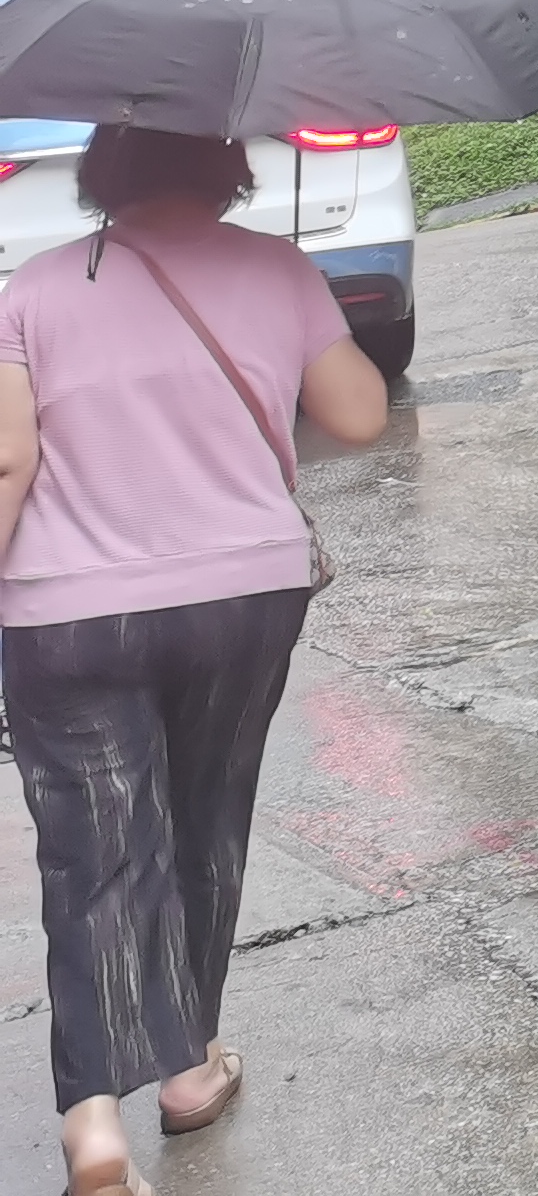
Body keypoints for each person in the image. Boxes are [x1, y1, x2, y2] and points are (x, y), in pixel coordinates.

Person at [0, 125, 389, 1196]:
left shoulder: (34, 289)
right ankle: (188, 1070)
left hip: (69, 614)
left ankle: (93, 1129)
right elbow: (359, 416)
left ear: (103, 172)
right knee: (205, 819)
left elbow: (6, 458)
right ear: (225, 164)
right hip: (241, 599)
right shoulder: (278, 268)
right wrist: (291, 309)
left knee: (92, 854)